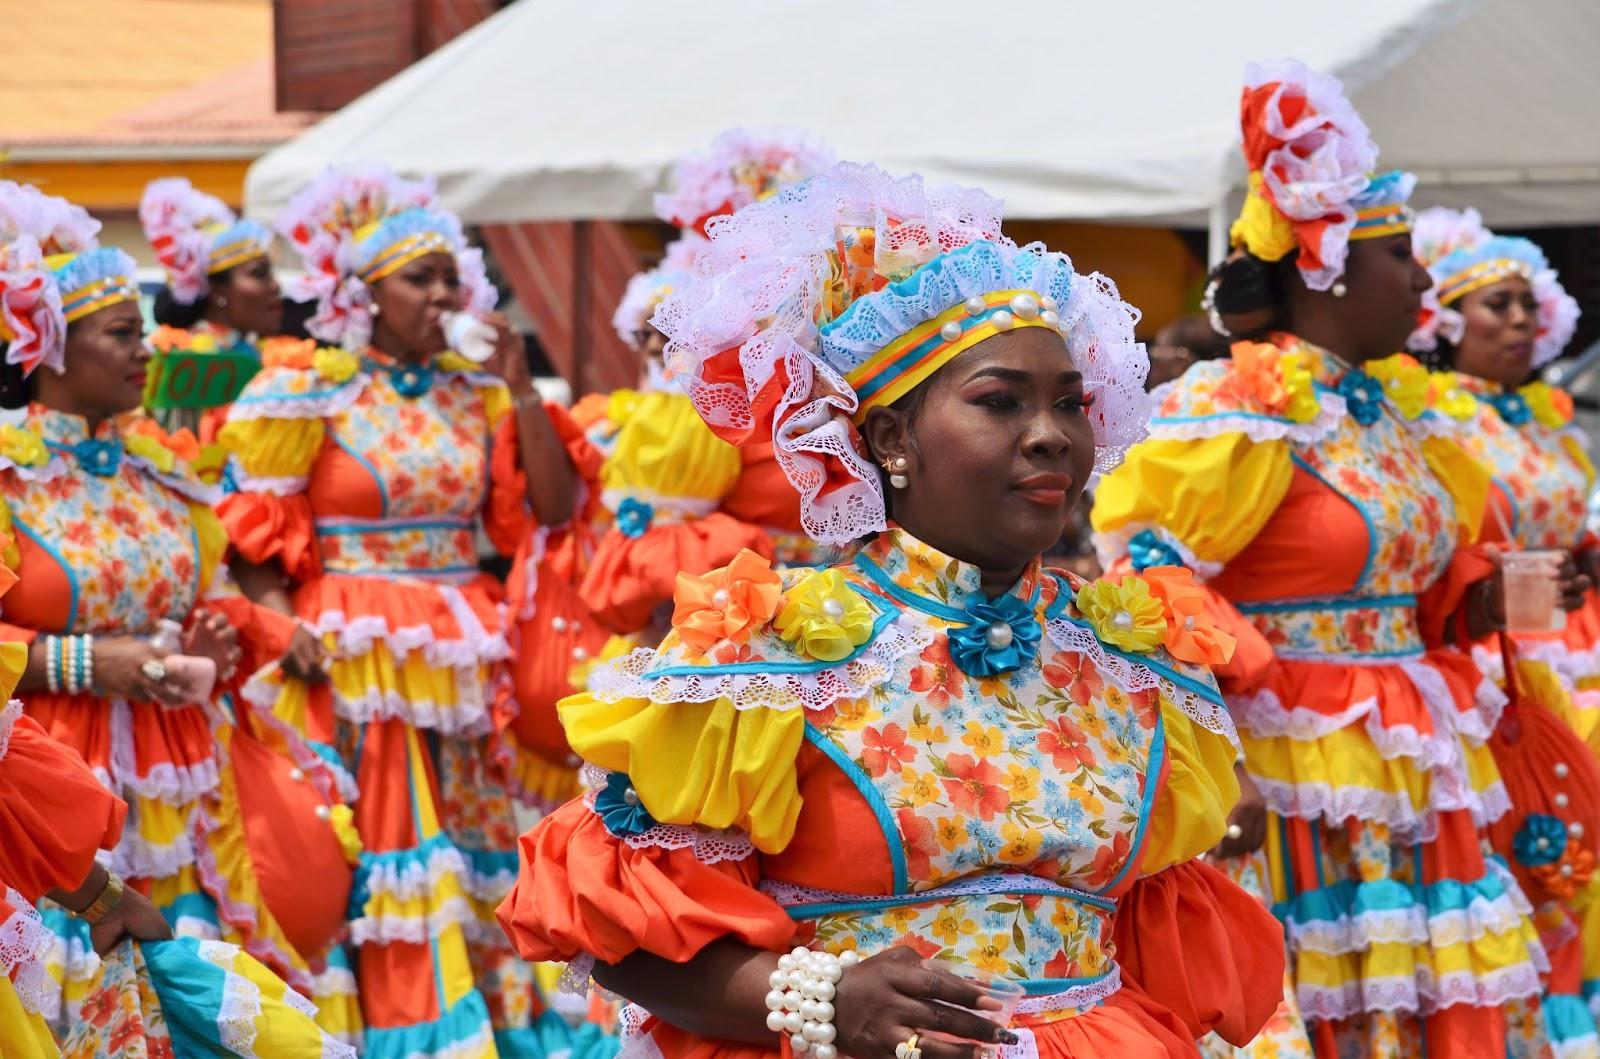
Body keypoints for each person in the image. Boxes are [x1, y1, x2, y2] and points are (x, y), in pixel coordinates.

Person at [498, 160, 1285, 1059]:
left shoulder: (1133, 655)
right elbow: (624, 925)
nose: (1051, 432)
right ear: (890, 438)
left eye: (1070, 401)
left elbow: (1172, 947)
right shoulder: (770, 655)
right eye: (1000, 401)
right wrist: (820, 999)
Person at [1093, 60, 1562, 1058]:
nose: (1425, 285)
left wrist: (1482, 599)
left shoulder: (1396, 410)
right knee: (1319, 988)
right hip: (1289, 756)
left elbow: (1414, 575)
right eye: (1403, 259)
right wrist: (1216, 744)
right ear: (1329, 268)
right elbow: (1141, 566)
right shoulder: (1239, 408)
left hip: (1414, 744)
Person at [218, 162, 585, 1057]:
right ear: (363, 294)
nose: (442, 294)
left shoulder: (479, 391)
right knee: (374, 848)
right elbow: (251, 537)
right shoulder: (308, 389)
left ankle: (496, 1022)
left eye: (448, 278)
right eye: (418, 279)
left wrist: (521, 383)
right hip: (351, 662)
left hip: (463, 653)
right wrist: (280, 627)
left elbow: (551, 506)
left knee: (474, 840)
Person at [0, 180, 362, 1041]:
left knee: (198, 978)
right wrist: (90, 664)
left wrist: (226, 634)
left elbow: (216, 591)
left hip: (188, 776)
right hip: (52, 781)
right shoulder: (7, 480)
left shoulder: (169, 469)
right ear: (49, 345)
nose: (146, 353)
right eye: (122, 333)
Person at [1410, 206, 1600, 1057]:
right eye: (1498, 305)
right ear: (1446, 323)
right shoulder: (1433, 423)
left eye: (1530, 305)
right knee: (1537, 848)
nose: (1521, 321)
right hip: (1501, 659)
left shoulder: (1552, 418)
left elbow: (1573, 529)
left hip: (1582, 644)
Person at [139, 177, 286, 445]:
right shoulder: (182, 359)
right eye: (259, 274)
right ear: (218, 291)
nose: (275, 286)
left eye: (271, 274)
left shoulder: (263, 352)